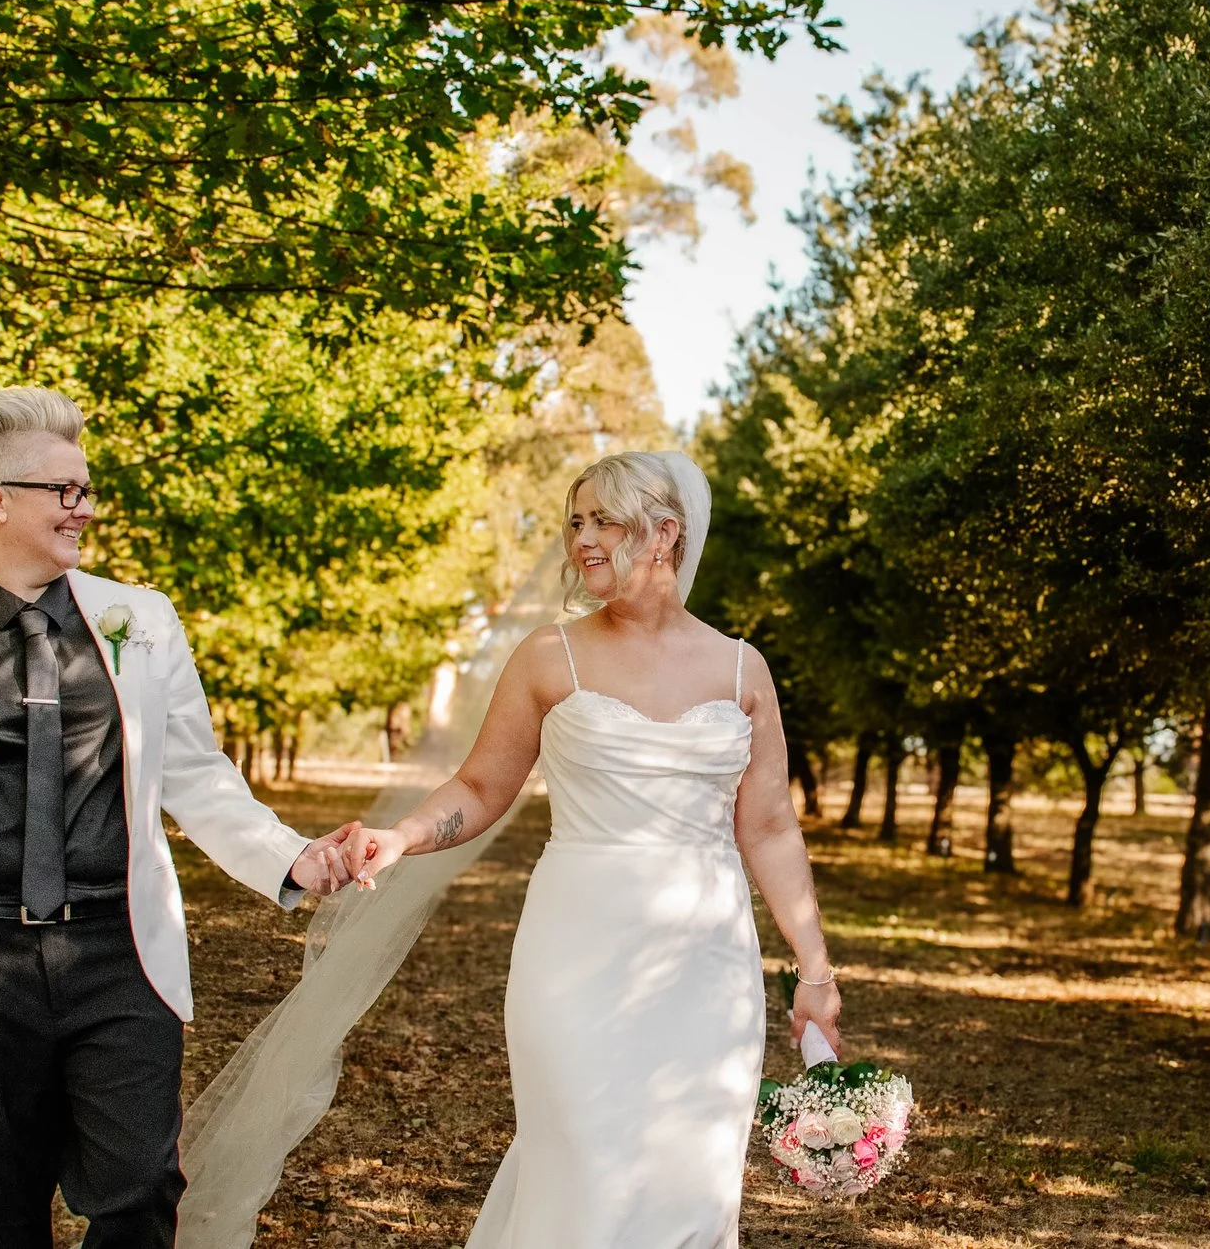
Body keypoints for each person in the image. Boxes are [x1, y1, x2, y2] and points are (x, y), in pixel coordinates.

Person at [0, 387, 358, 1248]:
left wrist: (291, 857)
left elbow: (195, 770)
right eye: (65, 491)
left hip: (118, 948)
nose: (83, 509)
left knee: (138, 1189)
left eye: (85, 490)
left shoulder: (142, 618)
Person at [340, 450, 841, 1248]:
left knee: (692, 1181)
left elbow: (771, 826)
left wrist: (813, 970)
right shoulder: (550, 656)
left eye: (605, 520)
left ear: (665, 534)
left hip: (708, 969)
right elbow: (479, 787)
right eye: (576, 522)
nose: (582, 540)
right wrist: (401, 836)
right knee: (584, 1166)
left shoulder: (744, 669)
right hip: (574, 958)